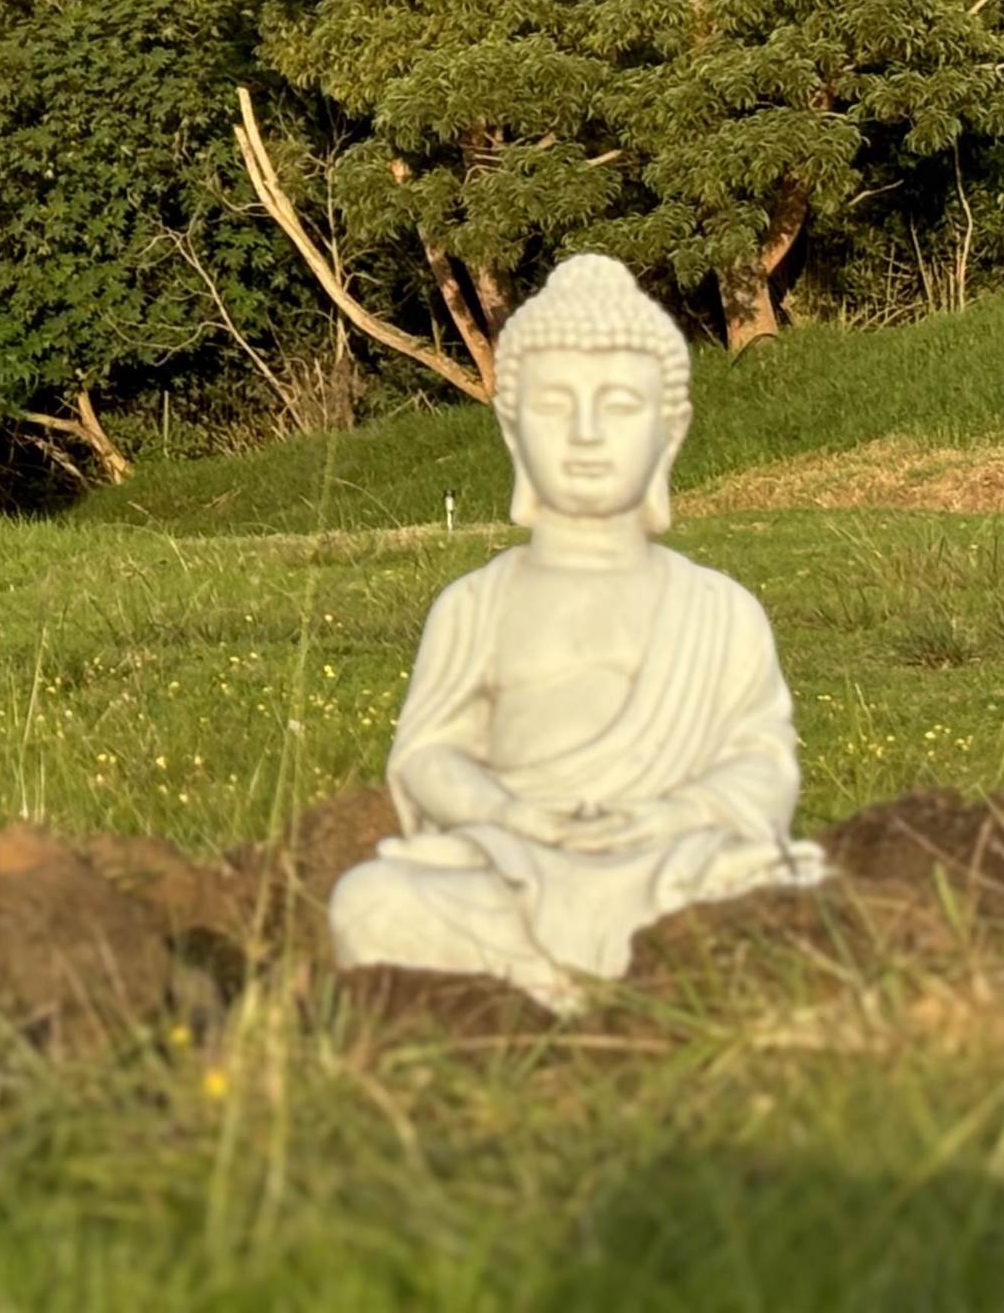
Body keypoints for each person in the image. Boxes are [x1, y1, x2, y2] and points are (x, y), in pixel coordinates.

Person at [326, 253, 824, 1012]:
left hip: (667, 861)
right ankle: (589, 991)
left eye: (618, 406)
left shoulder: (719, 610)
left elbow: (763, 766)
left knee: (787, 896)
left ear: (670, 431)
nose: (586, 435)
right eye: (557, 407)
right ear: (513, 429)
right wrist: (507, 815)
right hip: (512, 863)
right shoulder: (476, 605)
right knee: (374, 902)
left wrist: (670, 815)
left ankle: (577, 989)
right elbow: (428, 757)